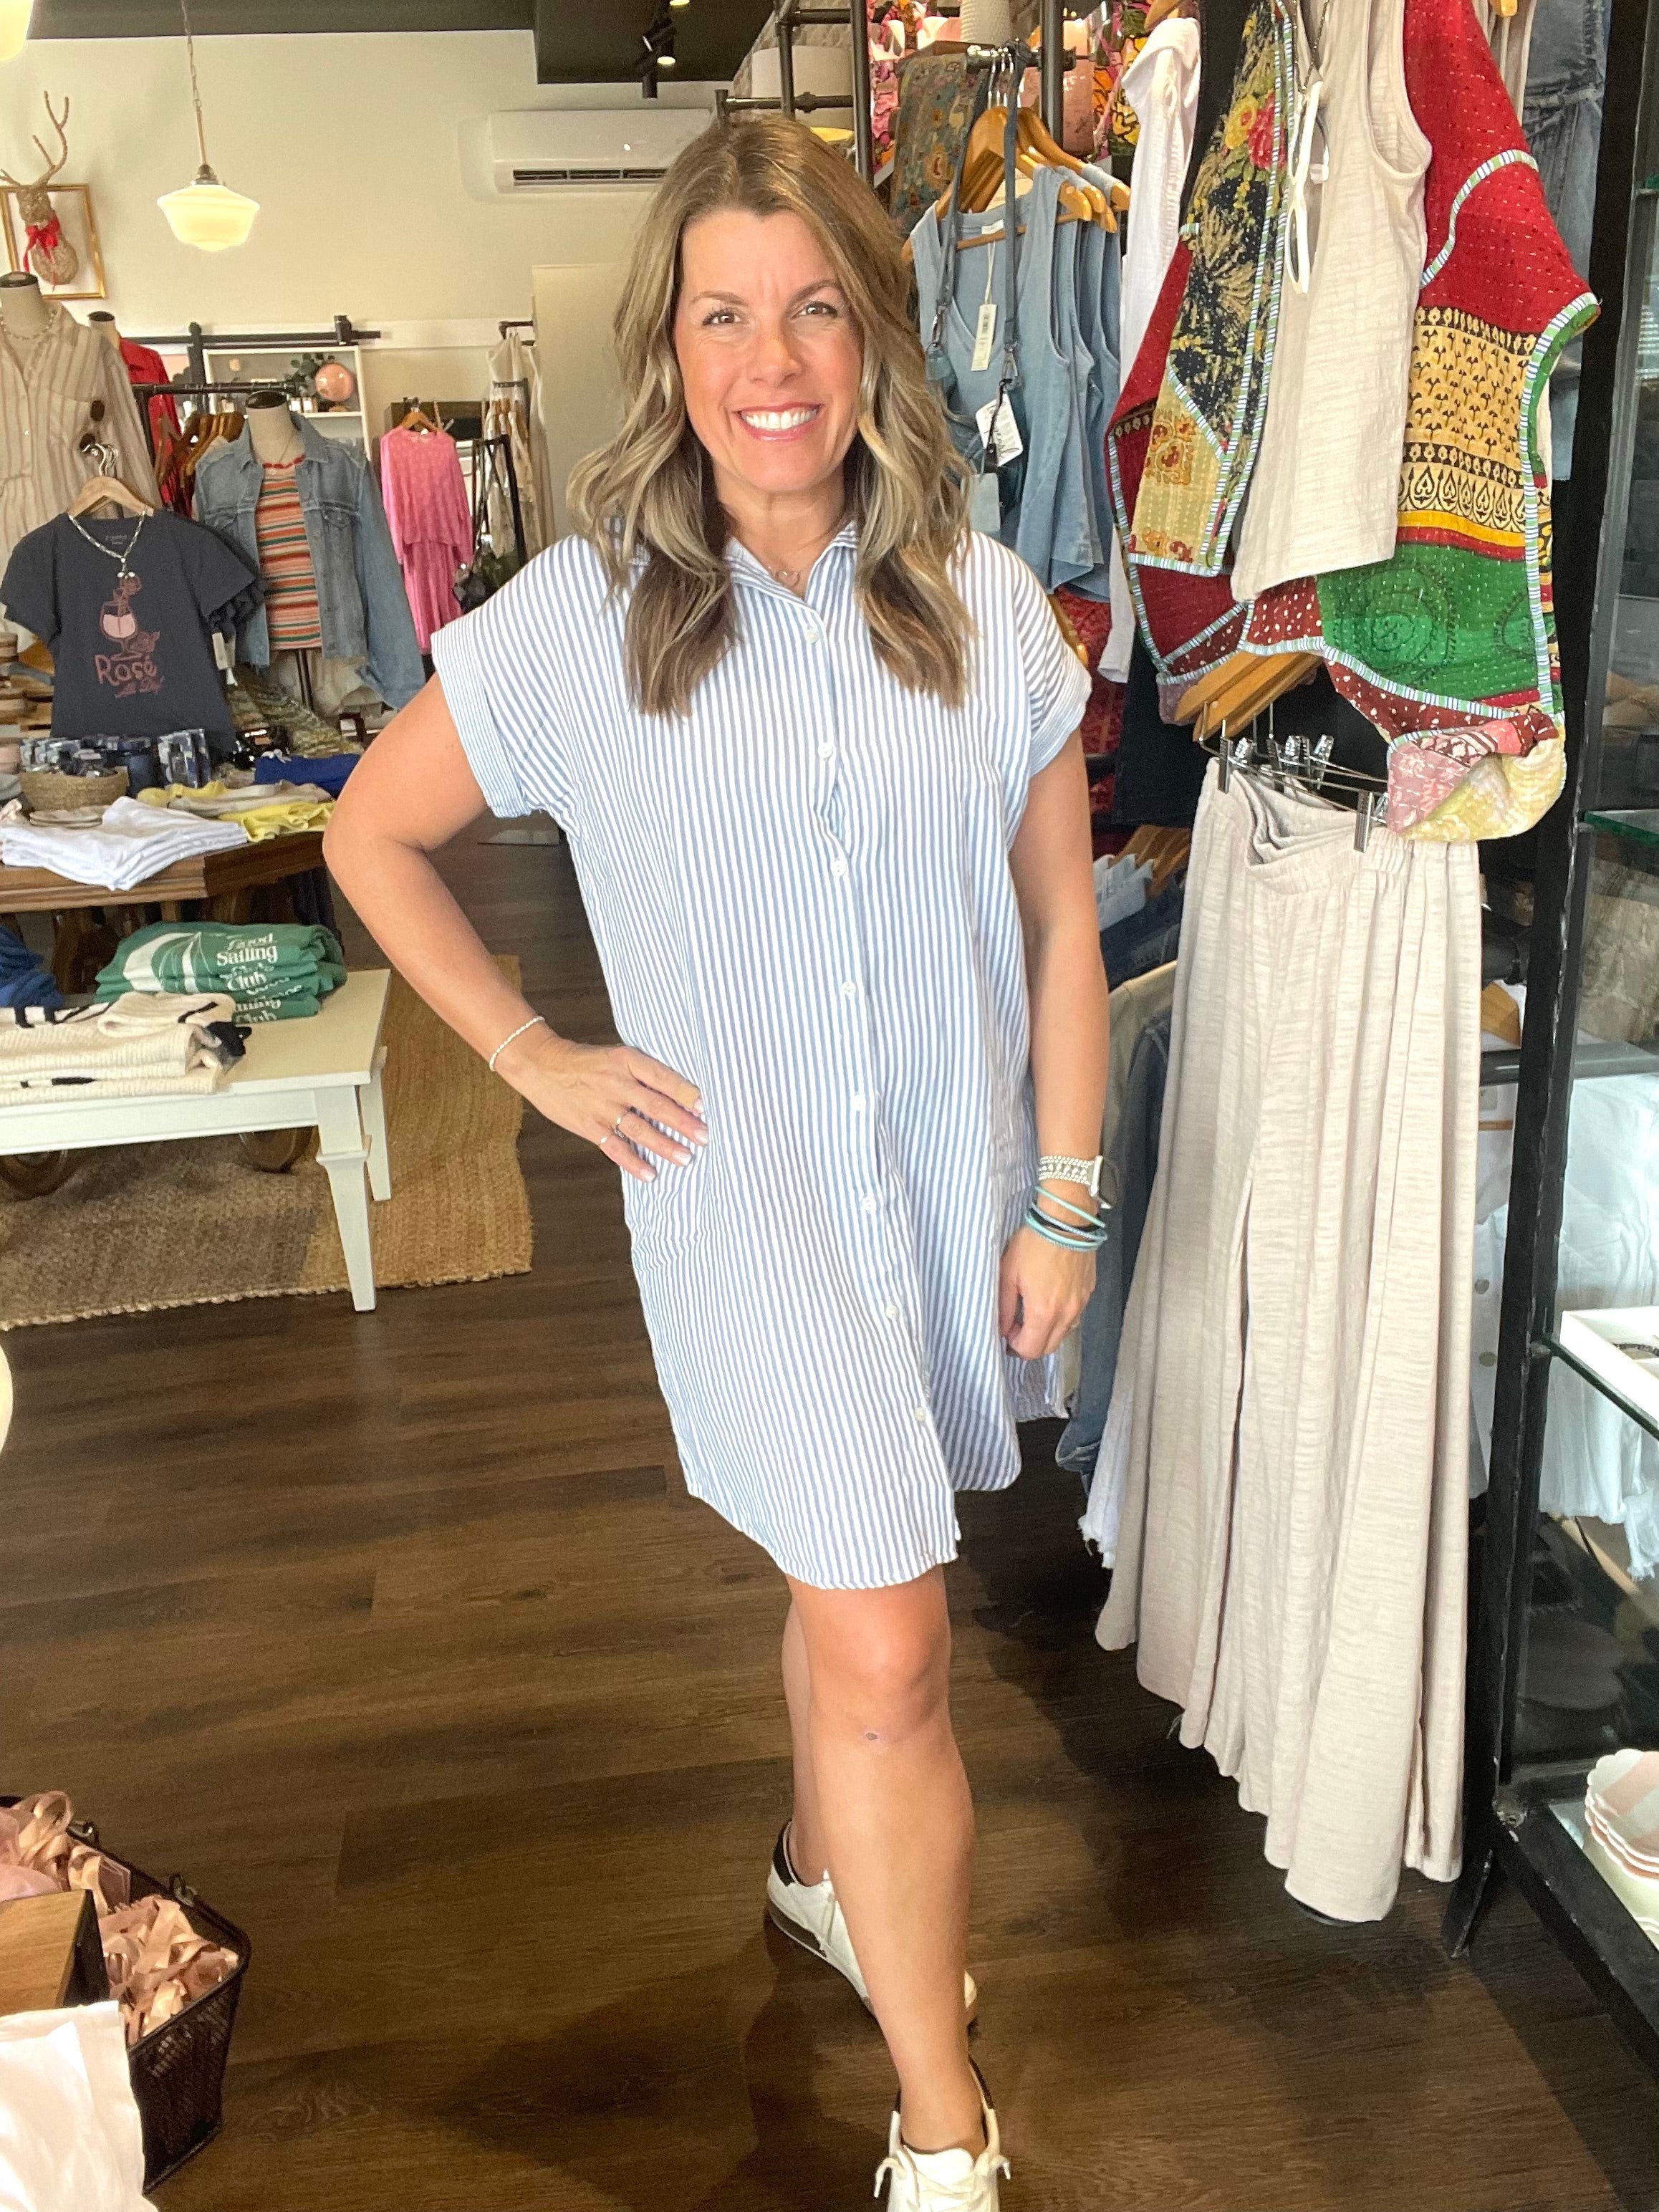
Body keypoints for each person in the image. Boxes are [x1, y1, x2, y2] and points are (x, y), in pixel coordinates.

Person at [324, 113, 1109, 2212]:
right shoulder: (581, 621)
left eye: (816, 310)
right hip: (748, 1221)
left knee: (841, 1586)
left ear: (877, 340)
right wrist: (531, 1055)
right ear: (667, 352)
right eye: (724, 316)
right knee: (893, 1647)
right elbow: (368, 833)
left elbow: (1060, 925)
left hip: (948, 1199)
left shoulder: (987, 608)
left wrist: (1064, 1190)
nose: (773, 362)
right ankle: (941, 2124)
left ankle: (818, 1873)